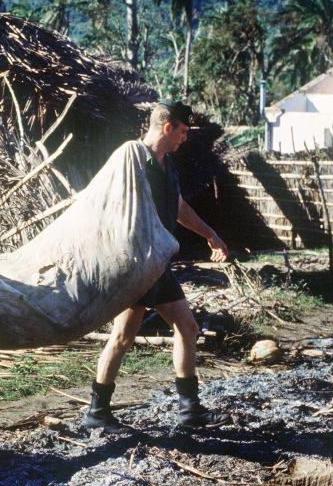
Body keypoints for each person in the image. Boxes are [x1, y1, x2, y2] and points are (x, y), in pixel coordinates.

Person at [82, 101, 229, 434]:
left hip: (157, 266)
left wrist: (211, 235)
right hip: (136, 265)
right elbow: (104, 205)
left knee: (184, 328)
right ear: (168, 127)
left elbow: (178, 208)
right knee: (122, 336)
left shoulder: (167, 168)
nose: (185, 139)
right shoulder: (132, 161)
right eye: (183, 132)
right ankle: (97, 410)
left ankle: (189, 411)